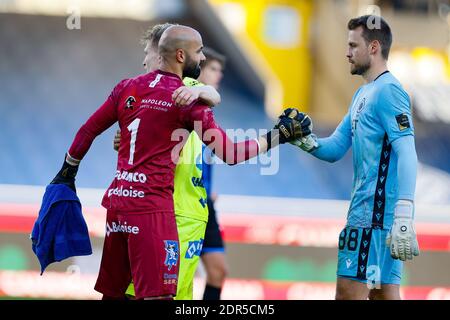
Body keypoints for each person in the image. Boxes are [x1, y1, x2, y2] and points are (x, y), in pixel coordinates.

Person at [50, 24, 313, 300]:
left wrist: (67, 173)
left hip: (118, 206)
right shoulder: (186, 98)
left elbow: (89, 130)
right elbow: (230, 153)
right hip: (159, 212)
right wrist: (277, 136)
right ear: (178, 55)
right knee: (161, 295)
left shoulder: (129, 88)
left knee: (116, 295)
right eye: (199, 53)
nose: (202, 58)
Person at [291, 15, 419, 300]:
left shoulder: (389, 91)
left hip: (372, 219)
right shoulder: (363, 93)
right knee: (382, 296)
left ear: (373, 47)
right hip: (374, 218)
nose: (346, 52)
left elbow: (407, 151)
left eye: (352, 45)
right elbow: (335, 147)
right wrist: (302, 139)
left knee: (349, 296)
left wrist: (404, 214)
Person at [114, 23, 222, 300]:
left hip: (178, 213)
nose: (144, 60)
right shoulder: (156, 94)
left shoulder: (184, 88)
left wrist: (201, 92)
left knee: (147, 292)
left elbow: (211, 94)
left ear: (164, 54)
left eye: (148, 53)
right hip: (166, 210)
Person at [195, 47, 228, 300]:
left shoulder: (207, 110)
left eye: (220, 71)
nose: (218, 75)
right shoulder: (187, 106)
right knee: (168, 277)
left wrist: (207, 189)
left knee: (218, 271)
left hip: (206, 203)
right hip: (184, 203)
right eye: (213, 69)